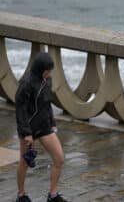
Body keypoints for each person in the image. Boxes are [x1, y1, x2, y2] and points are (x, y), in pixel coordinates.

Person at [15, 52, 68, 202]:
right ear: (40, 69)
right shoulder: (26, 83)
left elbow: (46, 103)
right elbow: (20, 109)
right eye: (47, 71)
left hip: (44, 126)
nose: (50, 74)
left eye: (50, 71)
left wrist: (52, 123)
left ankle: (53, 195)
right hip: (28, 129)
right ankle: (21, 195)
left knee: (59, 158)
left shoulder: (47, 80)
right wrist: (26, 133)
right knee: (24, 162)